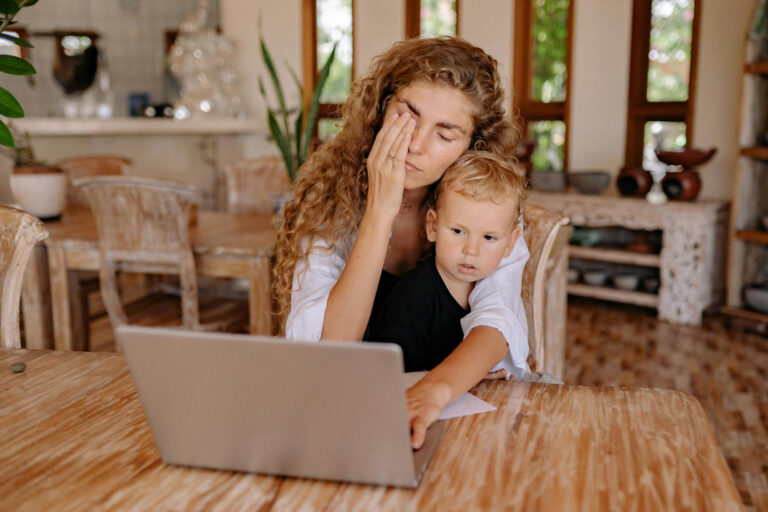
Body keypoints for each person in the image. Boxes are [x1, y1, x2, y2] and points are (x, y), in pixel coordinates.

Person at [273, 37, 530, 449]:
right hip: (349, 406)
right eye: (407, 116)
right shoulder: (326, 201)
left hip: (448, 400)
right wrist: (380, 208)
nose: (415, 144)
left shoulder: (484, 209)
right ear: (381, 109)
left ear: (471, 147)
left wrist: (435, 392)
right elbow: (327, 349)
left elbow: (497, 321)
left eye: (444, 135)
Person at [365, 151, 526, 373]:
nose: (471, 250)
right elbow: (386, 376)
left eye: (489, 237)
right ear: (432, 227)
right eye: (458, 231)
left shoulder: (491, 290)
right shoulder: (414, 298)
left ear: (510, 243)